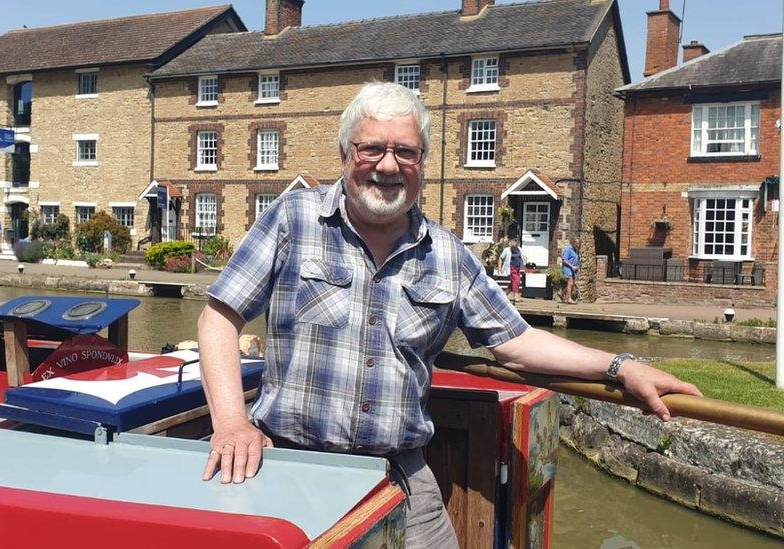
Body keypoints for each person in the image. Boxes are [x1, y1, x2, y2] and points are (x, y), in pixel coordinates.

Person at [196, 82, 701, 548]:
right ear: (346, 153)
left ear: (423, 160)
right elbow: (220, 318)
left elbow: (516, 343)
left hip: (400, 477)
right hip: (292, 463)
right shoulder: (292, 219)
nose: (388, 165)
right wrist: (233, 423)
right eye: (372, 148)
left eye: (405, 152)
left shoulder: (447, 253)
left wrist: (622, 367)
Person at [560, 238, 581, 304]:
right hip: (567, 268)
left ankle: (562, 294)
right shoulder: (568, 249)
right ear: (573, 243)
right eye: (577, 243)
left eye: (579, 243)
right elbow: (564, 260)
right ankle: (569, 299)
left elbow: (576, 260)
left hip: (573, 269)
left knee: (572, 284)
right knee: (570, 282)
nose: (579, 245)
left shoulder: (576, 250)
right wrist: (572, 266)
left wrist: (577, 267)